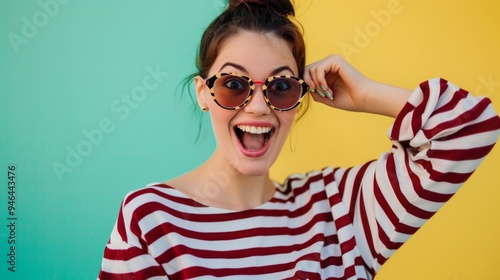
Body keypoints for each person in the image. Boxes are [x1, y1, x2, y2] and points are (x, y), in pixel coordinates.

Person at [98, 0, 500, 279]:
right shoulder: (150, 220)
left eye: (281, 87)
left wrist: (368, 95)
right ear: (204, 93)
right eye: (235, 84)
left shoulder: (339, 211)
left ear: (299, 95)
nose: (258, 107)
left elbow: (472, 128)